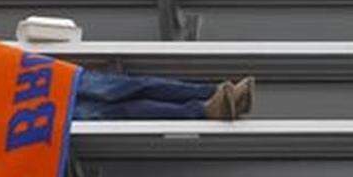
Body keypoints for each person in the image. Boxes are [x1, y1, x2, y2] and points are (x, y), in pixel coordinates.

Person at [74, 71, 255, 120]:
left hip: (56, 83)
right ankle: (207, 108)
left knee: (134, 86)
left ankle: (214, 93)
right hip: (54, 108)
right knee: (124, 108)